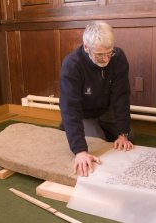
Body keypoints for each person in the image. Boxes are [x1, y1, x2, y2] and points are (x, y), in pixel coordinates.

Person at [59, 21, 133, 177]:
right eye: (100, 54)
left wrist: (122, 134)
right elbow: (70, 108)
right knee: (97, 144)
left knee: (128, 138)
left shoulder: (118, 58)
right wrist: (80, 151)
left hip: (105, 110)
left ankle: (107, 130)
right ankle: (68, 128)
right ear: (86, 47)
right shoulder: (72, 65)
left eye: (109, 52)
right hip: (83, 114)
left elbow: (121, 97)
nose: (106, 58)